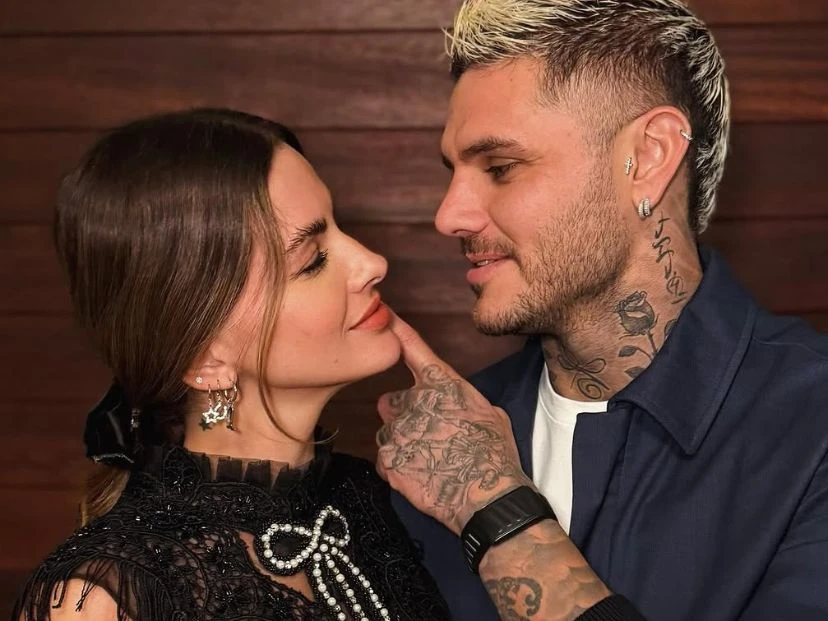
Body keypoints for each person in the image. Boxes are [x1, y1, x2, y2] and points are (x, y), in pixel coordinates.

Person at [381, 1, 828, 620]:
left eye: (501, 168)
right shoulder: (436, 443)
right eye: (453, 172)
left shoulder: (811, 426)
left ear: (648, 157)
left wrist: (494, 508)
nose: (449, 215)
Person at [13, 108, 451, 621]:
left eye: (340, 229)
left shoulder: (368, 498)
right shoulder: (104, 600)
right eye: (311, 260)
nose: (372, 263)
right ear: (205, 356)